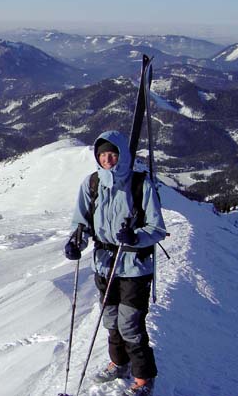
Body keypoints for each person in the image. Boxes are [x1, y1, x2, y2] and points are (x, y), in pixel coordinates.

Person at [65, 130, 166, 396]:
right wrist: (76, 242)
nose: (107, 159)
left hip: (134, 266)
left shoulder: (140, 185)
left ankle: (144, 378)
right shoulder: (92, 184)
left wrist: (135, 236)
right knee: (111, 320)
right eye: (102, 154)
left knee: (130, 324)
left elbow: (157, 229)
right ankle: (119, 363)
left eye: (112, 154)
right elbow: (81, 222)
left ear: (122, 155)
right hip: (104, 264)